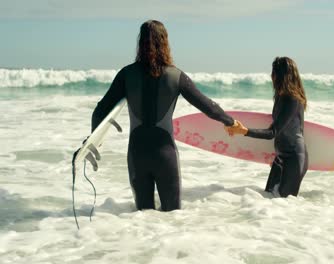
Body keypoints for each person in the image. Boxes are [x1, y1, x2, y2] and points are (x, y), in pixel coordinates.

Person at [91, 20, 239, 211]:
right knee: (173, 219)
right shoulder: (176, 76)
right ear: (165, 42)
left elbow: (100, 110)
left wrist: (93, 140)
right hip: (165, 156)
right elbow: (209, 107)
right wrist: (230, 122)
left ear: (140, 42)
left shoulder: (126, 74)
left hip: (137, 155)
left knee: (142, 219)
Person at [226, 57, 308, 197]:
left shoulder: (292, 100)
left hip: (294, 158)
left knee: (282, 204)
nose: (271, 76)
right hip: (280, 157)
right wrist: (277, 154)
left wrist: (244, 131)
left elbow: (273, 132)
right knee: (268, 197)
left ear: (281, 75)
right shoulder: (280, 97)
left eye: (273, 72)